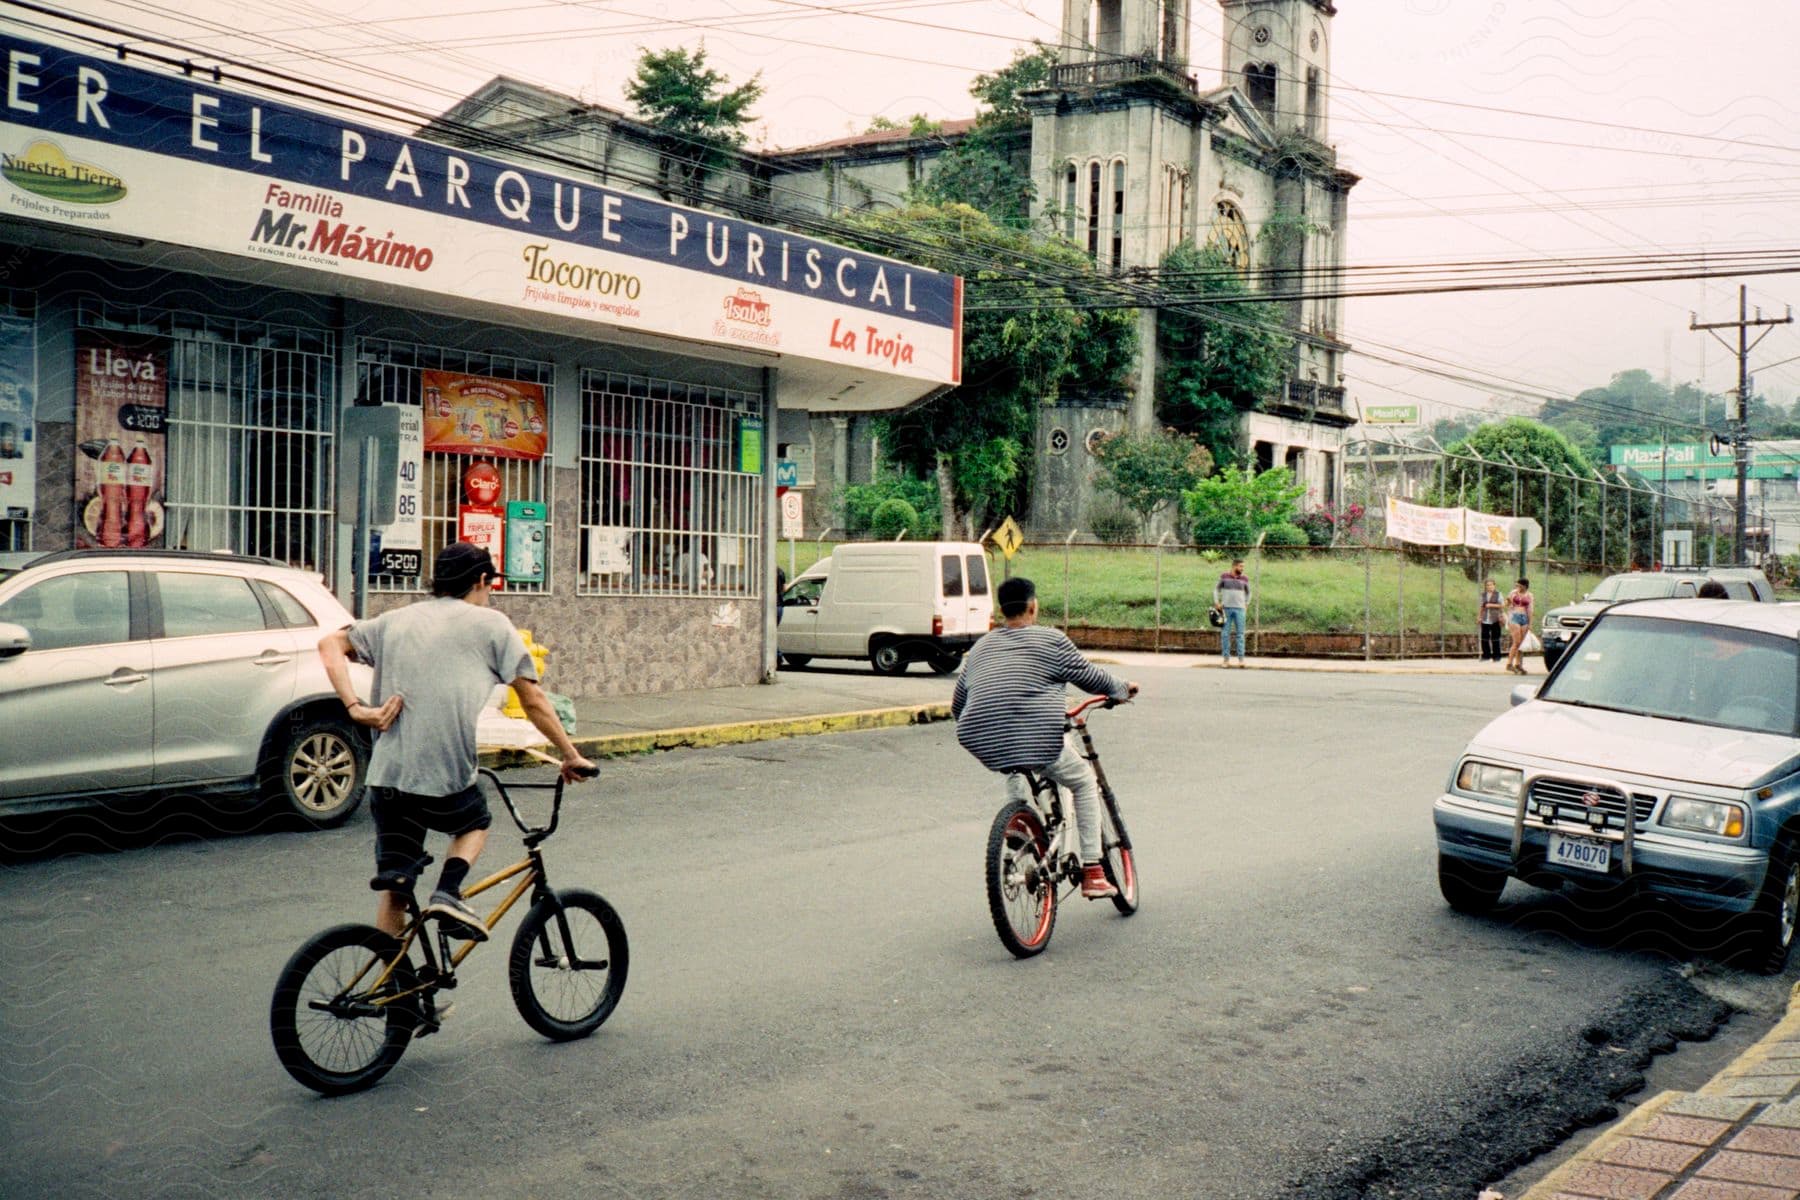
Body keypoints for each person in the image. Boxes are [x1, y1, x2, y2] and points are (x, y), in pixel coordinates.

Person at [319, 541, 596, 945]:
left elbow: (329, 645)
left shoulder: (394, 620)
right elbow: (532, 698)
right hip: (442, 776)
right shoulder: (492, 625)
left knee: (398, 889)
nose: (490, 594)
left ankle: (397, 995)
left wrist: (356, 708)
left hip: (387, 779)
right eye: (490, 585)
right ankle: (449, 892)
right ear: (482, 581)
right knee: (475, 821)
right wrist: (570, 756)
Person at [952, 577, 1137, 900]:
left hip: (979, 735)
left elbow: (958, 704)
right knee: (1082, 781)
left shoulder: (981, 647)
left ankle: (1018, 820)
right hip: (1037, 735)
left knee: (1011, 757)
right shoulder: (1051, 640)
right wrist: (1122, 689)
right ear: (1033, 606)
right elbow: (1091, 677)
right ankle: (1094, 870)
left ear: (1001, 610)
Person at [1214, 558, 1250, 667]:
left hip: (1240, 610)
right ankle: (1226, 660)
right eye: (1240, 566)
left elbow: (1249, 593)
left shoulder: (1244, 578)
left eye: (1243, 567)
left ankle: (1241, 660)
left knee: (1240, 635)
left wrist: (1246, 604)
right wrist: (1217, 602)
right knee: (1225, 634)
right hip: (1226, 609)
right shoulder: (1224, 577)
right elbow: (1216, 589)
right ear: (1234, 566)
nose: (1242, 569)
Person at [1504, 577, 1534, 675]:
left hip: (1524, 617)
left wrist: (1530, 623)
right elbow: (1507, 604)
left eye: (1520, 586)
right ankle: (1509, 663)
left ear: (1525, 586)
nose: (1518, 587)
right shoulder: (1513, 593)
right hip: (1515, 616)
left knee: (1521, 642)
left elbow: (1530, 609)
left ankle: (1518, 663)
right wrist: (1508, 602)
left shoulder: (1529, 595)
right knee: (1516, 642)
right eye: (1517, 585)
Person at [1477, 578, 1504, 663]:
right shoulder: (1483, 595)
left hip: (1495, 618)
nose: (1489, 587)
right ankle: (1486, 655)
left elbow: (1502, 605)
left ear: (1494, 585)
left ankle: (1497, 656)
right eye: (1487, 585)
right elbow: (1482, 606)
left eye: (1491, 585)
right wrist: (1479, 617)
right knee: (1484, 638)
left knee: (1495, 638)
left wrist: (1491, 605)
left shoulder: (1498, 594)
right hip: (1485, 618)